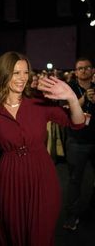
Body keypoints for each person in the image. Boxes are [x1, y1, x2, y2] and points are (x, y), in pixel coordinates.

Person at [0, 51, 85, 246]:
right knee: (12, 233)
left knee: (40, 234)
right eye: (15, 73)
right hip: (9, 178)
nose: (22, 78)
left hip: (41, 175)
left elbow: (76, 123)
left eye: (25, 72)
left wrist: (70, 97)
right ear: (3, 74)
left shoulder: (38, 102)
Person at [63, 57, 95, 230]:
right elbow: (65, 113)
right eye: (80, 68)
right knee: (75, 180)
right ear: (75, 72)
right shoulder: (70, 89)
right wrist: (83, 99)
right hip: (77, 141)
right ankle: (72, 215)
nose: (84, 70)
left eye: (87, 68)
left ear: (92, 70)